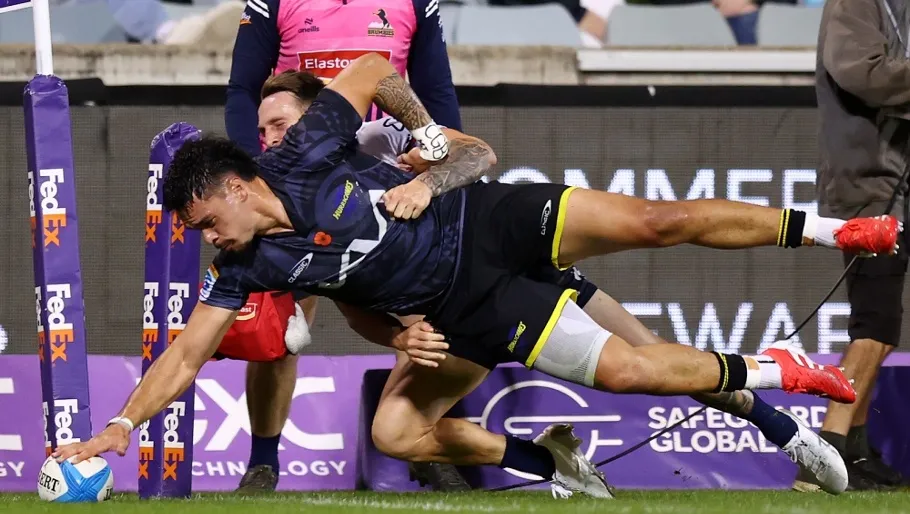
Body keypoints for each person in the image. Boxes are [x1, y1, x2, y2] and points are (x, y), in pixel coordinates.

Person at [55, 53, 898, 497]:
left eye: (205, 221)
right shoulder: (249, 263)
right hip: (465, 304)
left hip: (489, 220)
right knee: (634, 371)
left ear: (236, 187)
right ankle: (769, 381)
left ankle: (840, 233)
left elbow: (391, 82)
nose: (207, 240)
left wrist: (427, 150)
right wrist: (121, 426)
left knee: (656, 222)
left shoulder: (318, 144)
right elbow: (187, 354)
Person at [250, 69, 858, 496]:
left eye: (280, 125)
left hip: (504, 251)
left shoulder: (377, 139)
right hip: (453, 310)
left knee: (651, 358)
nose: (270, 141)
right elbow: (350, 301)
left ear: (318, 114)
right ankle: (552, 463)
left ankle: (785, 430)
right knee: (394, 432)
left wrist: (426, 176)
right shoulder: (288, 207)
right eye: (264, 132)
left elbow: (478, 155)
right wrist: (398, 337)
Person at [224, 0, 464, 492]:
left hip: (380, 170)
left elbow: (436, 91)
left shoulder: (417, 3)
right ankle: (262, 463)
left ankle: (424, 447)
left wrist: (440, 166)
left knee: (421, 317)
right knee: (278, 327)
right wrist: (256, 170)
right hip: (299, 178)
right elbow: (242, 89)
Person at [794, 0, 910, 492]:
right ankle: (824, 457)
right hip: (867, 186)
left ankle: (855, 450)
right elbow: (861, 72)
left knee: (881, 325)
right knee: (875, 323)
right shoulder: (856, 3)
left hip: (895, 186)